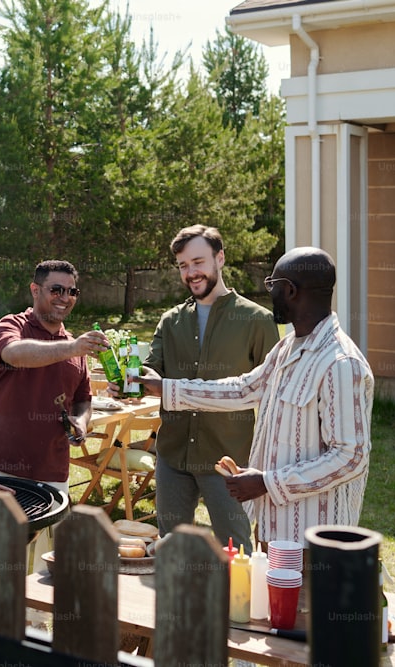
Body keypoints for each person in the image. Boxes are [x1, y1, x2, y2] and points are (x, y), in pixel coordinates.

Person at [137, 247, 374, 546]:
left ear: (290, 290)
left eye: (271, 285)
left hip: (314, 542)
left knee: (301, 596)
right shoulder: (288, 348)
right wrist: (167, 388)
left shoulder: (340, 363)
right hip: (274, 528)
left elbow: (350, 456)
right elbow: (243, 389)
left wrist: (266, 482)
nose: (268, 293)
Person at [145, 225, 278, 553]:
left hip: (228, 461)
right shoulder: (170, 320)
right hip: (173, 456)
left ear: (220, 258)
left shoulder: (257, 320)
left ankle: (237, 606)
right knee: (171, 550)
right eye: (183, 266)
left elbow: (273, 395)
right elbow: (152, 370)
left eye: (198, 262)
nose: (191, 273)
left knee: (236, 551)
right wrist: (133, 378)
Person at [0, 259, 110, 494]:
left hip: (52, 473)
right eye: (56, 290)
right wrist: (74, 348)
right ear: (35, 290)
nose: (65, 298)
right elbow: (14, 354)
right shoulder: (11, 325)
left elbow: (83, 399)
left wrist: (82, 421)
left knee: (46, 532)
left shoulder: (74, 345)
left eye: (72, 291)